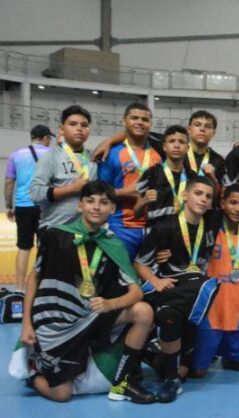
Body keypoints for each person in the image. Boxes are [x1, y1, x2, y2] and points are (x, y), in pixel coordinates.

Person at [20, 181, 155, 403]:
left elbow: (136, 293)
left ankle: (121, 382)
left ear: (112, 209)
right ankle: (33, 374)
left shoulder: (114, 245)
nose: (96, 207)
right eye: (90, 201)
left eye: (104, 202)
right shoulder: (55, 236)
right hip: (55, 323)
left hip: (91, 315)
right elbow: (34, 278)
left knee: (143, 311)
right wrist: (26, 324)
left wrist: (110, 304)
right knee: (62, 394)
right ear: (79, 206)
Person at [134, 177, 217, 402]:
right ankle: (171, 379)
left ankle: (158, 355)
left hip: (194, 289)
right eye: (198, 193)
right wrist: (156, 281)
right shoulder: (164, 226)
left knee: (208, 285)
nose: (203, 199)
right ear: (185, 196)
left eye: (208, 196)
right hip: (170, 288)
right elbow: (140, 263)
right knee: (169, 314)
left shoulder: (210, 223)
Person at [190, 184, 239, 377]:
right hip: (210, 310)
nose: (237, 209)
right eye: (232, 203)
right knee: (198, 372)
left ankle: (228, 354)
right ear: (222, 203)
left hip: (237, 310)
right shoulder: (210, 227)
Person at [98, 102, 162, 258]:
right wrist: (128, 192)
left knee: (148, 278)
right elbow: (99, 193)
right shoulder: (112, 153)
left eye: (145, 119)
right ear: (124, 121)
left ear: (150, 124)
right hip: (121, 227)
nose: (139, 122)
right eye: (134, 118)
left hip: (153, 226)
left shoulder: (160, 153)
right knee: (120, 276)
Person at [30, 105, 97, 241]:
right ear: (61, 129)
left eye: (84, 125)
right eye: (73, 124)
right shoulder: (51, 157)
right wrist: (72, 189)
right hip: (55, 230)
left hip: (85, 232)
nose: (79, 128)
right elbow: (34, 193)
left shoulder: (94, 158)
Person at [5, 125, 52, 290]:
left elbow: (9, 182)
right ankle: (40, 286)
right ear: (45, 137)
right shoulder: (51, 154)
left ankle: (19, 287)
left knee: (24, 247)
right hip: (45, 206)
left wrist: (9, 206)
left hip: (23, 206)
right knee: (45, 247)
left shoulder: (15, 155)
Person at [135, 125, 197, 225]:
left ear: (187, 148)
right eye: (172, 141)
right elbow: (136, 213)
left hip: (184, 236)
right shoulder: (151, 174)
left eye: (181, 142)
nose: (176, 145)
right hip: (156, 236)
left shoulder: (193, 178)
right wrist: (144, 201)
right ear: (164, 147)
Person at [185, 110, 225, 186]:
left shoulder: (218, 161)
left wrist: (213, 177)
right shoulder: (179, 155)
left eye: (208, 126)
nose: (202, 129)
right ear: (189, 130)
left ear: (213, 133)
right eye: (197, 125)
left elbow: (220, 194)